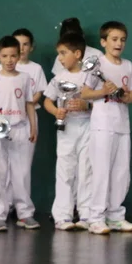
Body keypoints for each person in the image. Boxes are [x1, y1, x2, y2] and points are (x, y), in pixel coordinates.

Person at [80, 21, 132, 235]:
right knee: (101, 172)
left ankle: (115, 216)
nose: (118, 43)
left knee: (121, 173)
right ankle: (95, 218)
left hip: (122, 125)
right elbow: (85, 93)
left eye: (122, 40)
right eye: (114, 39)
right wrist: (103, 91)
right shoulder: (97, 64)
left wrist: (125, 95)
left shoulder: (128, 66)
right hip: (102, 126)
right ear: (103, 42)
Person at [0, 35, 40, 231]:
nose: (9, 60)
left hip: (20, 129)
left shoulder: (25, 78)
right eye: (4, 56)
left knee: (21, 174)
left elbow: (29, 104)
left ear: (19, 55)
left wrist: (33, 127)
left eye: (13, 56)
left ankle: (25, 214)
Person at [43, 32, 93, 230]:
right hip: (66, 129)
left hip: (87, 126)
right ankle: (62, 216)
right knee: (65, 170)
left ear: (78, 54)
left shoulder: (89, 77)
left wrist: (86, 105)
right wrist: (56, 111)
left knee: (86, 171)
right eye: (59, 54)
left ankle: (86, 214)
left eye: (64, 53)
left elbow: (98, 101)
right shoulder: (59, 78)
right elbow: (47, 101)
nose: (60, 58)